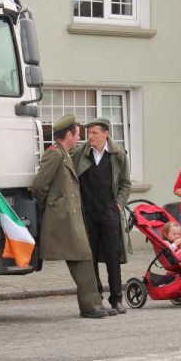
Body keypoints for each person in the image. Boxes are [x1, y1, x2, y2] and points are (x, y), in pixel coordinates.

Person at [33, 114, 109, 319]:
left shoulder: (64, 154)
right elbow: (40, 186)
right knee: (83, 256)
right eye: (77, 134)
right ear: (68, 134)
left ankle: (93, 304)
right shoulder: (55, 154)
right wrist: (51, 207)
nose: (79, 139)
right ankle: (91, 306)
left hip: (70, 217)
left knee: (84, 256)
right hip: (62, 218)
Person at [71, 117, 131, 314]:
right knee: (91, 256)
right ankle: (96, 297)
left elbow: (125, 183)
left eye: (94, 133)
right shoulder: (80, 153)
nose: (90, 137)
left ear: (106, 133)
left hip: (109, 212)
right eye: (88, 134)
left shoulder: (118, 154)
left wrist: (119, 204)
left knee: (113, 255)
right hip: (87, 212)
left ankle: (117, 298)